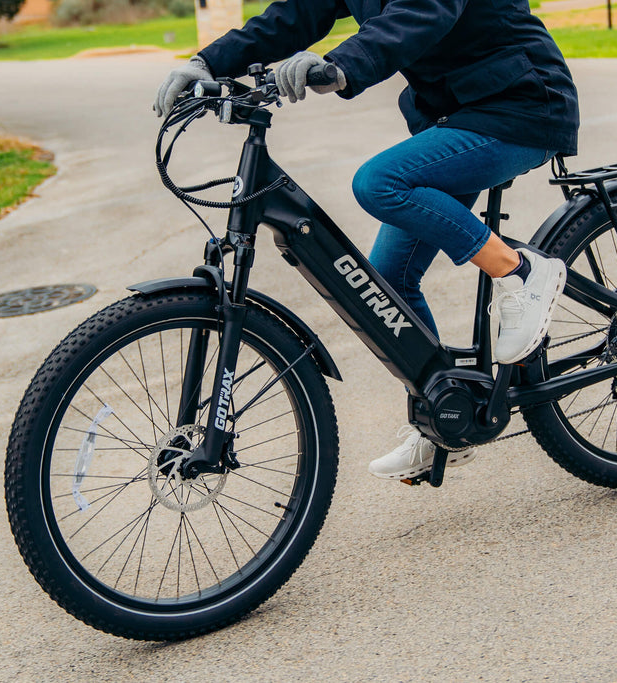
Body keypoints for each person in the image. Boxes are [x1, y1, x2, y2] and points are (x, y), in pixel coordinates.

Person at [154, 0, 580, 481]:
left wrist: (340, 66)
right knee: (389, 283)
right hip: (456, 118)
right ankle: (443, 426)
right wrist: (207, 63)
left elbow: (424, 11)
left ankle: (522, 273)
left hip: (521, 107)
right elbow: (296, 14)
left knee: (380, 183)